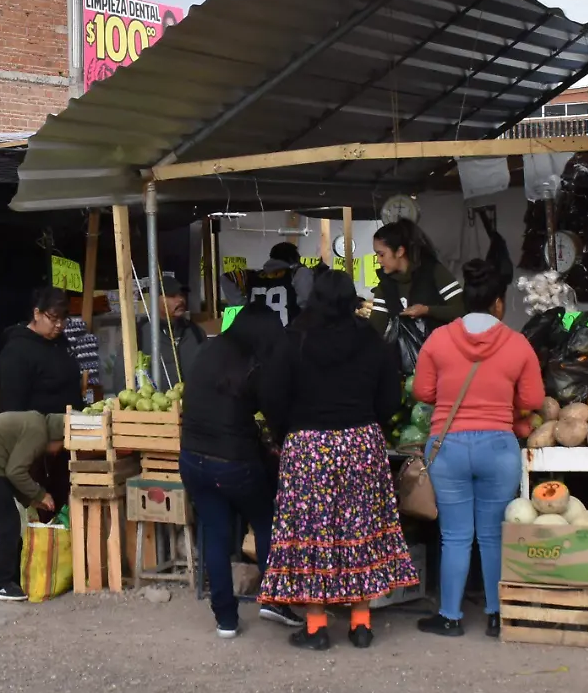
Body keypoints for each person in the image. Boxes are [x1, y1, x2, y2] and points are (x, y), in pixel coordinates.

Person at [260, 270, 419, 650]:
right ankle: (361, 623)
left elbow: (271, 396)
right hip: (362, 445)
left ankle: (315, 626)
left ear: (314, 298)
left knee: (311, 534)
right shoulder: (372, 342)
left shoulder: (294, 340)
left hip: (308, 448)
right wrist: (364, 421)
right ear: (352, 300)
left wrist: (287, 433)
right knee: (360, 530)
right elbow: (390, 400)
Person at [410, 259, 545, 638]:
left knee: (454, 536)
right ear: (498, 304)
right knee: (492, 535)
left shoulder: (438, 339)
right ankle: (497, 615)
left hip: (448, 447)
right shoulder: (518, 344)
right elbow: (533, 398)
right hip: (498, 448)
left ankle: (450, 616)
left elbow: (423, 392)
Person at [179, 302, 294, 637]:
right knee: (263, 520)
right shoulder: (254, 363)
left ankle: (225, 619)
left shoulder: (206, 350)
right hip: (233, 463)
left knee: (215, 533)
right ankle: (275, 600)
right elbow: (276, 414)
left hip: (192, 458)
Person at [0, 410, 66, 601]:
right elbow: (15, 472)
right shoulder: (38, 432)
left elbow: (9, 475)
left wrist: (30, 500)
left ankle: (11, 578)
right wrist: (41, 494)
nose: (59, 450)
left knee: (10, 522)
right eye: (62, 445)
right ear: (57, 436)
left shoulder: (35, 424)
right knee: (7, 524)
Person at [0, 286, 82, 415]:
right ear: (37, 314)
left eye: (63, 319)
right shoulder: (16, 350)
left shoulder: (61, 341)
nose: (59, 325)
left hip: (73, 425)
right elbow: (13, 407)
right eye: (53, 319)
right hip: (40, 429)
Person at [371, 219, 464, 332]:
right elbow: (375, 328)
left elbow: (462, 310)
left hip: (439, 347)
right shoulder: (385, 285)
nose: (378, 260)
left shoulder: (433, 271)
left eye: (381, 254)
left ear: (399, 251)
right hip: (404, 349)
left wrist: (427, 310)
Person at [137, 279, 206, 389]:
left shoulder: (196, 332)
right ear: (156, 299)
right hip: (155, 404)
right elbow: (122, 380)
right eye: (172, 296)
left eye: (182, 295)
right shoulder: (139, 334)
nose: (180, 300)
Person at [238, 241, 315, 326]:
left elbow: (227, 278)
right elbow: (306, 303)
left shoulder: (254, 275)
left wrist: (240, 302)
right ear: (292, 259)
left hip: (257, 333)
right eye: (298, 258)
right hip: (287, 333)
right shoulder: (299, 273)